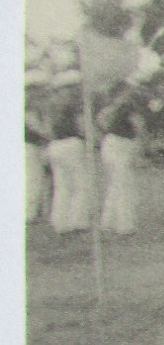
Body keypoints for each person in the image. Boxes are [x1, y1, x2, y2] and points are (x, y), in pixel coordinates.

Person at [96, 79, 147, 235]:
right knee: (125, 185)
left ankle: (108, 222)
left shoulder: (110, 108)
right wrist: (142, 146)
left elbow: (100, 121)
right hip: (123, 143)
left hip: (109, 142)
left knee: (115, 184)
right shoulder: (128, 106)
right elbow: (139, 126)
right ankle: (125, 225)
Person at [45, 71, 91, 234]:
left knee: (61, 186)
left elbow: (48, 128)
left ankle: (60, 222)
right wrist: (89, 138)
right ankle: (78, 222)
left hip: (54, 144)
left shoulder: (50, 103)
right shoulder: (74, 104)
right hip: (71, 143)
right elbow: (81, 126)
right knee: (80, 184)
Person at [25, 69, 51, 224]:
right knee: (33, 179)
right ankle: (30, 212)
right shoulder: (29, 105)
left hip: (35, 144)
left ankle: (39, 210)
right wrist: (49, 136)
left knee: (38, 178)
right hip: (31, 145)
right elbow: (35, 126)